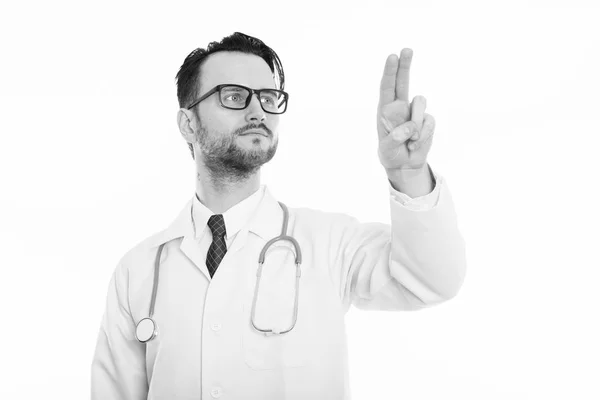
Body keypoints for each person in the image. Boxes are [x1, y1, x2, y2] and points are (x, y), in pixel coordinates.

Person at [91, 32, 466, 400]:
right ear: (188, 124)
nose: (258, 111)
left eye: (268, 98)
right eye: (234, 96)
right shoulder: (138, 271)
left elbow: (432, 280)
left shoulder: (330, 243)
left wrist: (409, 173)